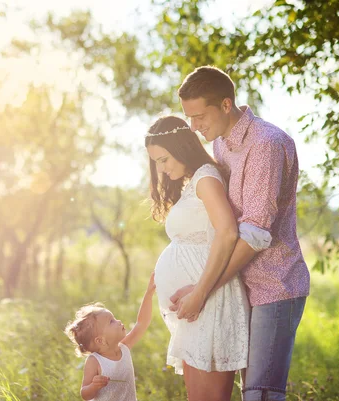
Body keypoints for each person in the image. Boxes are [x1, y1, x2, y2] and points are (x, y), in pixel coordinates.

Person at [171, 65, 311, 401]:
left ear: (225, 104)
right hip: (238, 287)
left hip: (274, 286)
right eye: (189, 118)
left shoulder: (267, 143)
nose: (195, 126)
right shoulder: (221, 146)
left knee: (261, 394)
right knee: (245, 391)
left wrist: (203, 290)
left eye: (199, 116)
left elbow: (255, 233)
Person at [146, 115, 250, 401]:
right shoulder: (194, 181)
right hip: (196, 305)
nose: (163, 169)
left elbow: (227, 233)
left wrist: (200, 293)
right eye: (157, 162)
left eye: (164, 159)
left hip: (209, 300)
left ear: (182, 147)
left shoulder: (205, 178)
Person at [64, 272, 155, 401]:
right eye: (111, 321)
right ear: (100, 340)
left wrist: (149, 294)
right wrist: (94, 386)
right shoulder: (94, 361)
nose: (118, 321)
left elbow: (142, 323)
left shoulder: (124, 347)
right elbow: (85, 394)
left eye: (114, 318)